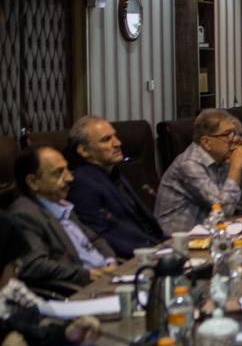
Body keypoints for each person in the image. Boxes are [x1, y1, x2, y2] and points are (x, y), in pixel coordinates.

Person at [6, 146, 118, 289]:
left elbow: (95, 239)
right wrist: (87, 274)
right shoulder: (25, 215)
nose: (70, 178)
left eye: (67, 169)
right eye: (58, 173)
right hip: (82, 288)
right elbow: (35, 265)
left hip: (108, 277)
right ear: (33, 182)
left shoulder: (61, 205)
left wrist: (110, 261)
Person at [64, 115, 165, 259]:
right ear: (84, 151)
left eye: (115, 136)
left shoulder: (113, 174)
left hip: (155, 248)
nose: (118, 143)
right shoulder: (82, 185)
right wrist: (153, 252)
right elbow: (100, 237)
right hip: (131, 260)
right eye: (106, 139)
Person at [154, 109, 242, 235]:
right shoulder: (189, 164)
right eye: (228, 134)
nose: (236, 139)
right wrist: (235, 168)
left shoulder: (221, 159)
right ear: (206, 142)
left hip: (209, 233)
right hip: (177, 240)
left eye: (236, 133)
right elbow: (224, 210)